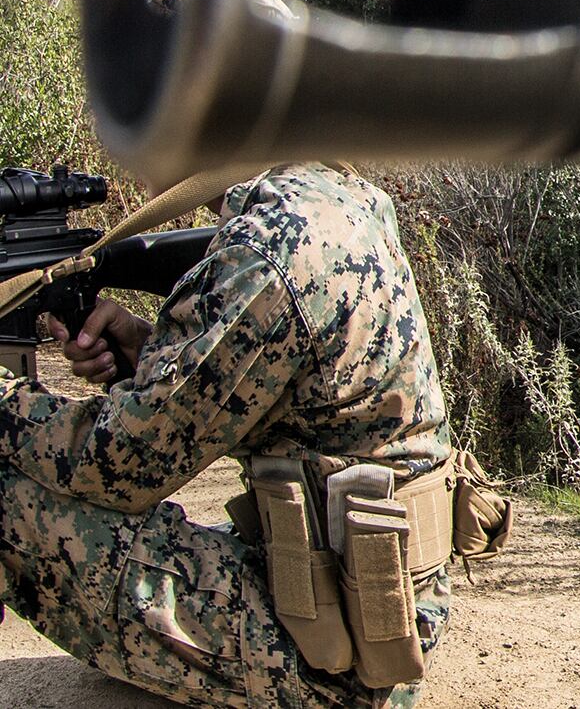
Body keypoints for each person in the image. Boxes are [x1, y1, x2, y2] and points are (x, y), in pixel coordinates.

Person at [0, 160, 457, 709]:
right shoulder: (334, 196)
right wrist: (146, 354)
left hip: (335, 654)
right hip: (380, 609)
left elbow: (118, 466)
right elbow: (276, 390)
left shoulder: (265, 253)